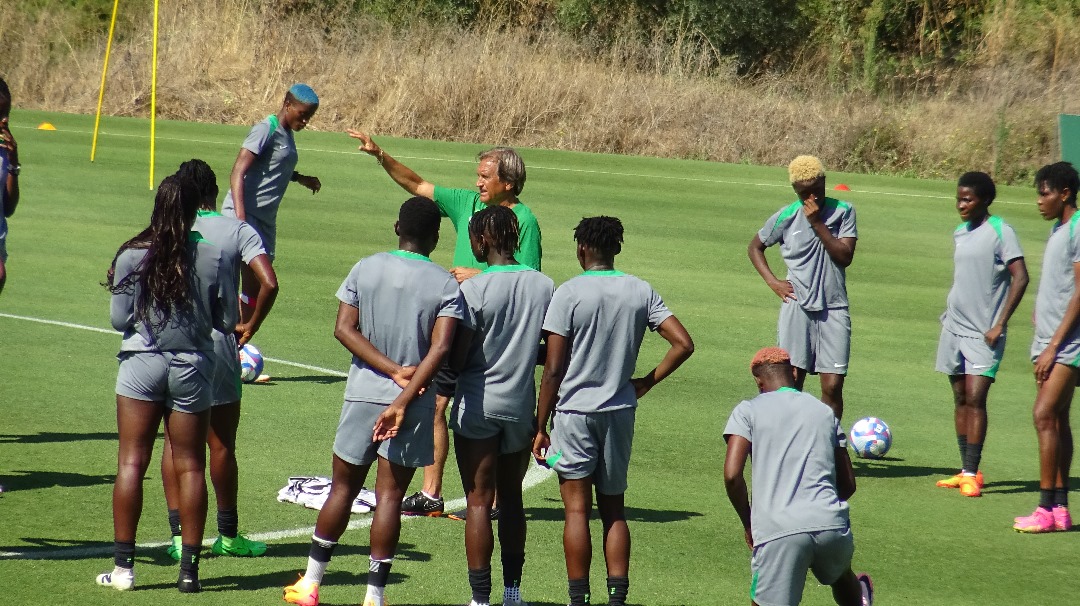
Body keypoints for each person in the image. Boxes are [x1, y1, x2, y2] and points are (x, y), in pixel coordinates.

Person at [348, 129, 541, 517]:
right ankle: (431, 492)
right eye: (479, 175)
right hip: (457, 318)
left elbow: (525, 275)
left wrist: (478, 274)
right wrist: (379, 154)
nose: (478, 182)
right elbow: (417, 184)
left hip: (491, 329)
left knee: (480, 407)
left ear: (509, 181)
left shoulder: (524, 220)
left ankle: (499, 499)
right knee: (437, 401)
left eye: (486, 176)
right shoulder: (466, 202)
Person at [283, 196, 464, 606]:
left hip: (363, 394)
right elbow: (440, 349)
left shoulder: (365, 268)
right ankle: (373, 598)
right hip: (413, 401)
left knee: (342, 490)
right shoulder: (445, 283)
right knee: (389, 499)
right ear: (436, 238)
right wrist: (405, 384)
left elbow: (344, 329)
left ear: (396, 228)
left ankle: (310, 584)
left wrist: (387, 369)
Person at [532, 216, 693, 606]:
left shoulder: (568, 294)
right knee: (614, 508)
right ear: (616, 249)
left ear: (581, 249)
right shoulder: (640, 290)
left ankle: (578, 599)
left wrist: (540, 426)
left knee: (576, 511)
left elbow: (553, 369)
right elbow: (683, 343)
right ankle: (618, 599)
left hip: (573, 412)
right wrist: (646, 382)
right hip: (620, 409)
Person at [97, 175, 228, 593]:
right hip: (191, 366)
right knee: (191, 466)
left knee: (131, 462)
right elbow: (225, 321)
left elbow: (120, 320)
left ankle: (123, 571)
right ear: (197, 211)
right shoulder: (213, 255)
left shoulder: (132, 254)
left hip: (140, 363)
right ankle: (189, 573)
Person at [159, 159, 279, 559]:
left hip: (172, 339)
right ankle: (228, 535)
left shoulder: (171, 226)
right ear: (212, 193)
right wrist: (251, 326)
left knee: (175, 445)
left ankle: (179, 538)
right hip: (218, 339)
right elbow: (269, 282)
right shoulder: (237, 230)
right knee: (222, 444)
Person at [449, 206, 554, 606]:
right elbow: (552, 351)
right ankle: (513, 593)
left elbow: (457, 358)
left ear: (482, 241)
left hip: (477, 404)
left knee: (478, 500)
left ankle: (480, 600)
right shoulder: (544, 286)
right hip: (520, 405)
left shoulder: (472, 290)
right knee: (512, 498)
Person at [723, 347, 874, 606]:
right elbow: (848, 484)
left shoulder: (747, 410)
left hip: (778, 531)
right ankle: (860, 599)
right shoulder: (825, 412)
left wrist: (749, 522)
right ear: (794, 372)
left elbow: (732, 476)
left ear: (758, 382)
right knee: (840, 575)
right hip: (831, 526)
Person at [934, 171, 1028, 497]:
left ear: (985, 200)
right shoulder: (960, 232)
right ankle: (964, 472)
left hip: (984, 333)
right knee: (960, 397)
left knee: (976, 399)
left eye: (968, 199)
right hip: (953, 327)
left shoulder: (1001, 231)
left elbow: (1021, 277)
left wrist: (1001, 323)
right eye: (958, 197)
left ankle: (973, 473)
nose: (960, 204)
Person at [748, 155, 857, 419]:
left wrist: (818, 223)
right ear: (795, 190)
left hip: (834, 307)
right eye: (804, 193)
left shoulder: (844, 210)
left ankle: (828, 446)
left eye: (816, 191)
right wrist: (774, 282)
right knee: (792, 382)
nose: (811, 199)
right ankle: (793, 442)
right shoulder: (786, 216)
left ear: (824, 182)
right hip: (796, 307)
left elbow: (845, 256)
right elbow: (755, 247)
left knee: (832, 386)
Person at [222, 83, 320, 365]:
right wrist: (240, 220)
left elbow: (272, 167)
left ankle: (234, 351)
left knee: (251, 291)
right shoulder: (266, 128)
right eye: (302, 115)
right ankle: (227, 352)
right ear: (287, 104)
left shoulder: (286, 134)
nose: (304, 122)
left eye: (309, 118)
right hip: (244, 217)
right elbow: (238, 171)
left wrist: (301, 178)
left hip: (264, 222)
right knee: (250, 284)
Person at [1013, 161, 1080, 533]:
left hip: (1068, 344)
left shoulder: (1078, 228)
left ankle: (1043, 509)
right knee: (1057, 420)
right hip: (1050, 340)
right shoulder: (1059, 229)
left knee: (1043, 415)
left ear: (1064, 193)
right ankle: (1061, 510)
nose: (1039, 201)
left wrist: (1055, 345)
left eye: (1045, 193)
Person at [0, 77, 22, 297]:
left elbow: (8, 208)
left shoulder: (4, 151)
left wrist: (13, 162)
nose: (4, 121)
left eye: (7, 114)